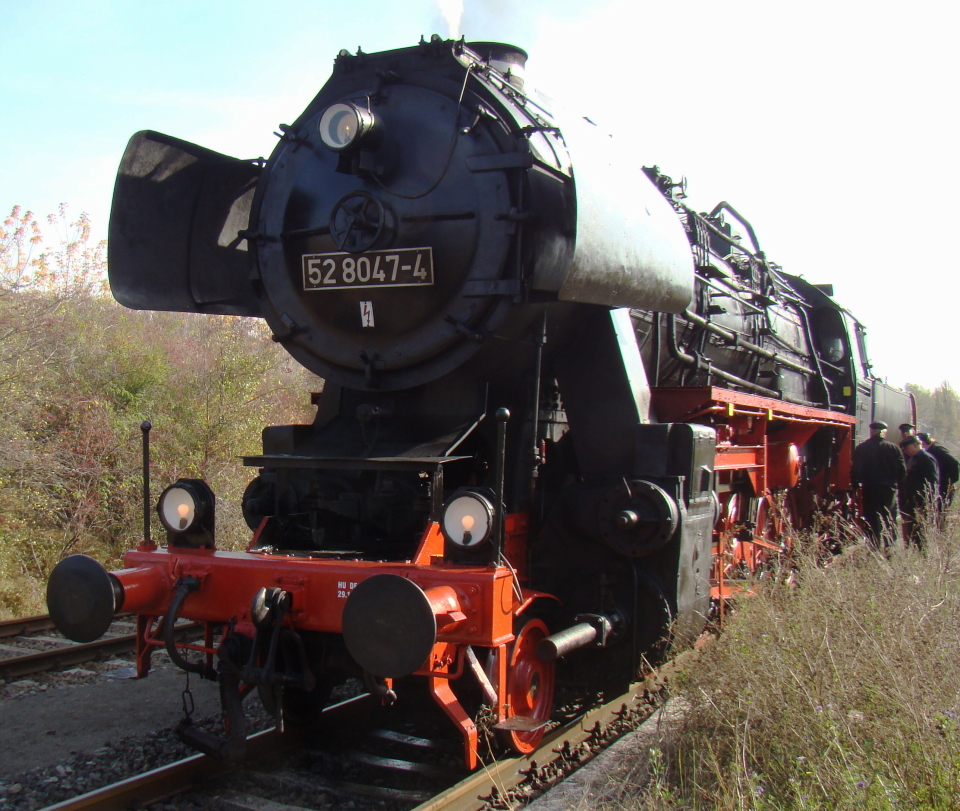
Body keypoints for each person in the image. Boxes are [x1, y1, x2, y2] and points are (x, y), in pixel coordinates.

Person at [851, 421, 906, 548]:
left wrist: (855, 484)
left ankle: (874, 546)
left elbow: (855, 469)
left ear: (872, 431)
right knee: (889, 517)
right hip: (888, 489)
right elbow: (902, 470)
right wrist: (897, 484)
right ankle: (890, 546)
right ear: (883, 431)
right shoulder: (894, 448)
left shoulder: (862, 448)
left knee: (872, 518)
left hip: (869, 488)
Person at [899, 436, 939, 548]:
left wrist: (928, 500)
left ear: (915, 445)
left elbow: (932, 481)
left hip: (922, 501)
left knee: (921, 530)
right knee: (912, 530)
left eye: (906, 448)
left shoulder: (926, 459)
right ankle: (914, 549)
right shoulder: (913, 459)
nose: (905, 451)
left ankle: (922, 552)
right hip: (912, 500)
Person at [917, 432, 959, 520]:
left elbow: (954, 463)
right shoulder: (933, 449)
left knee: (940, 513)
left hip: (944, 486)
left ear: (923, 443)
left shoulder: (937, 450)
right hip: (940, 485)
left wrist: (951, 481)